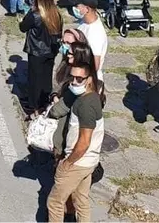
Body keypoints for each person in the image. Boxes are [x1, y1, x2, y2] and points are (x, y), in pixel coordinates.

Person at [46, 50, 105, 222]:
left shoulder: (85, 105)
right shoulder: (92, 97)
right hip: (89, 162)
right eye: (72, 77)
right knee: (81, 201)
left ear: (89, 79)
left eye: (80, 79)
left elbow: (84, 141)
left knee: (55, 202)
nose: (74, 81)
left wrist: (67, 163)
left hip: (78, 162)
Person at [19, 0, 62, 114]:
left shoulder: (35, 15)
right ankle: (45, 102)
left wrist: (23, 18)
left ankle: (34, 106)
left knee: (34, 79)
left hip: (36, 51)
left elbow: (23, 27)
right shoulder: (56, 13)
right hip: (51, 50)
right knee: (46, 77)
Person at [70, 0, 108, 82]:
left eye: (77, 6)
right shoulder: (85, 21)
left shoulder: (95, 33)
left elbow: (95, 64)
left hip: (87, 79)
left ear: (87, 9)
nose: (75, 8)